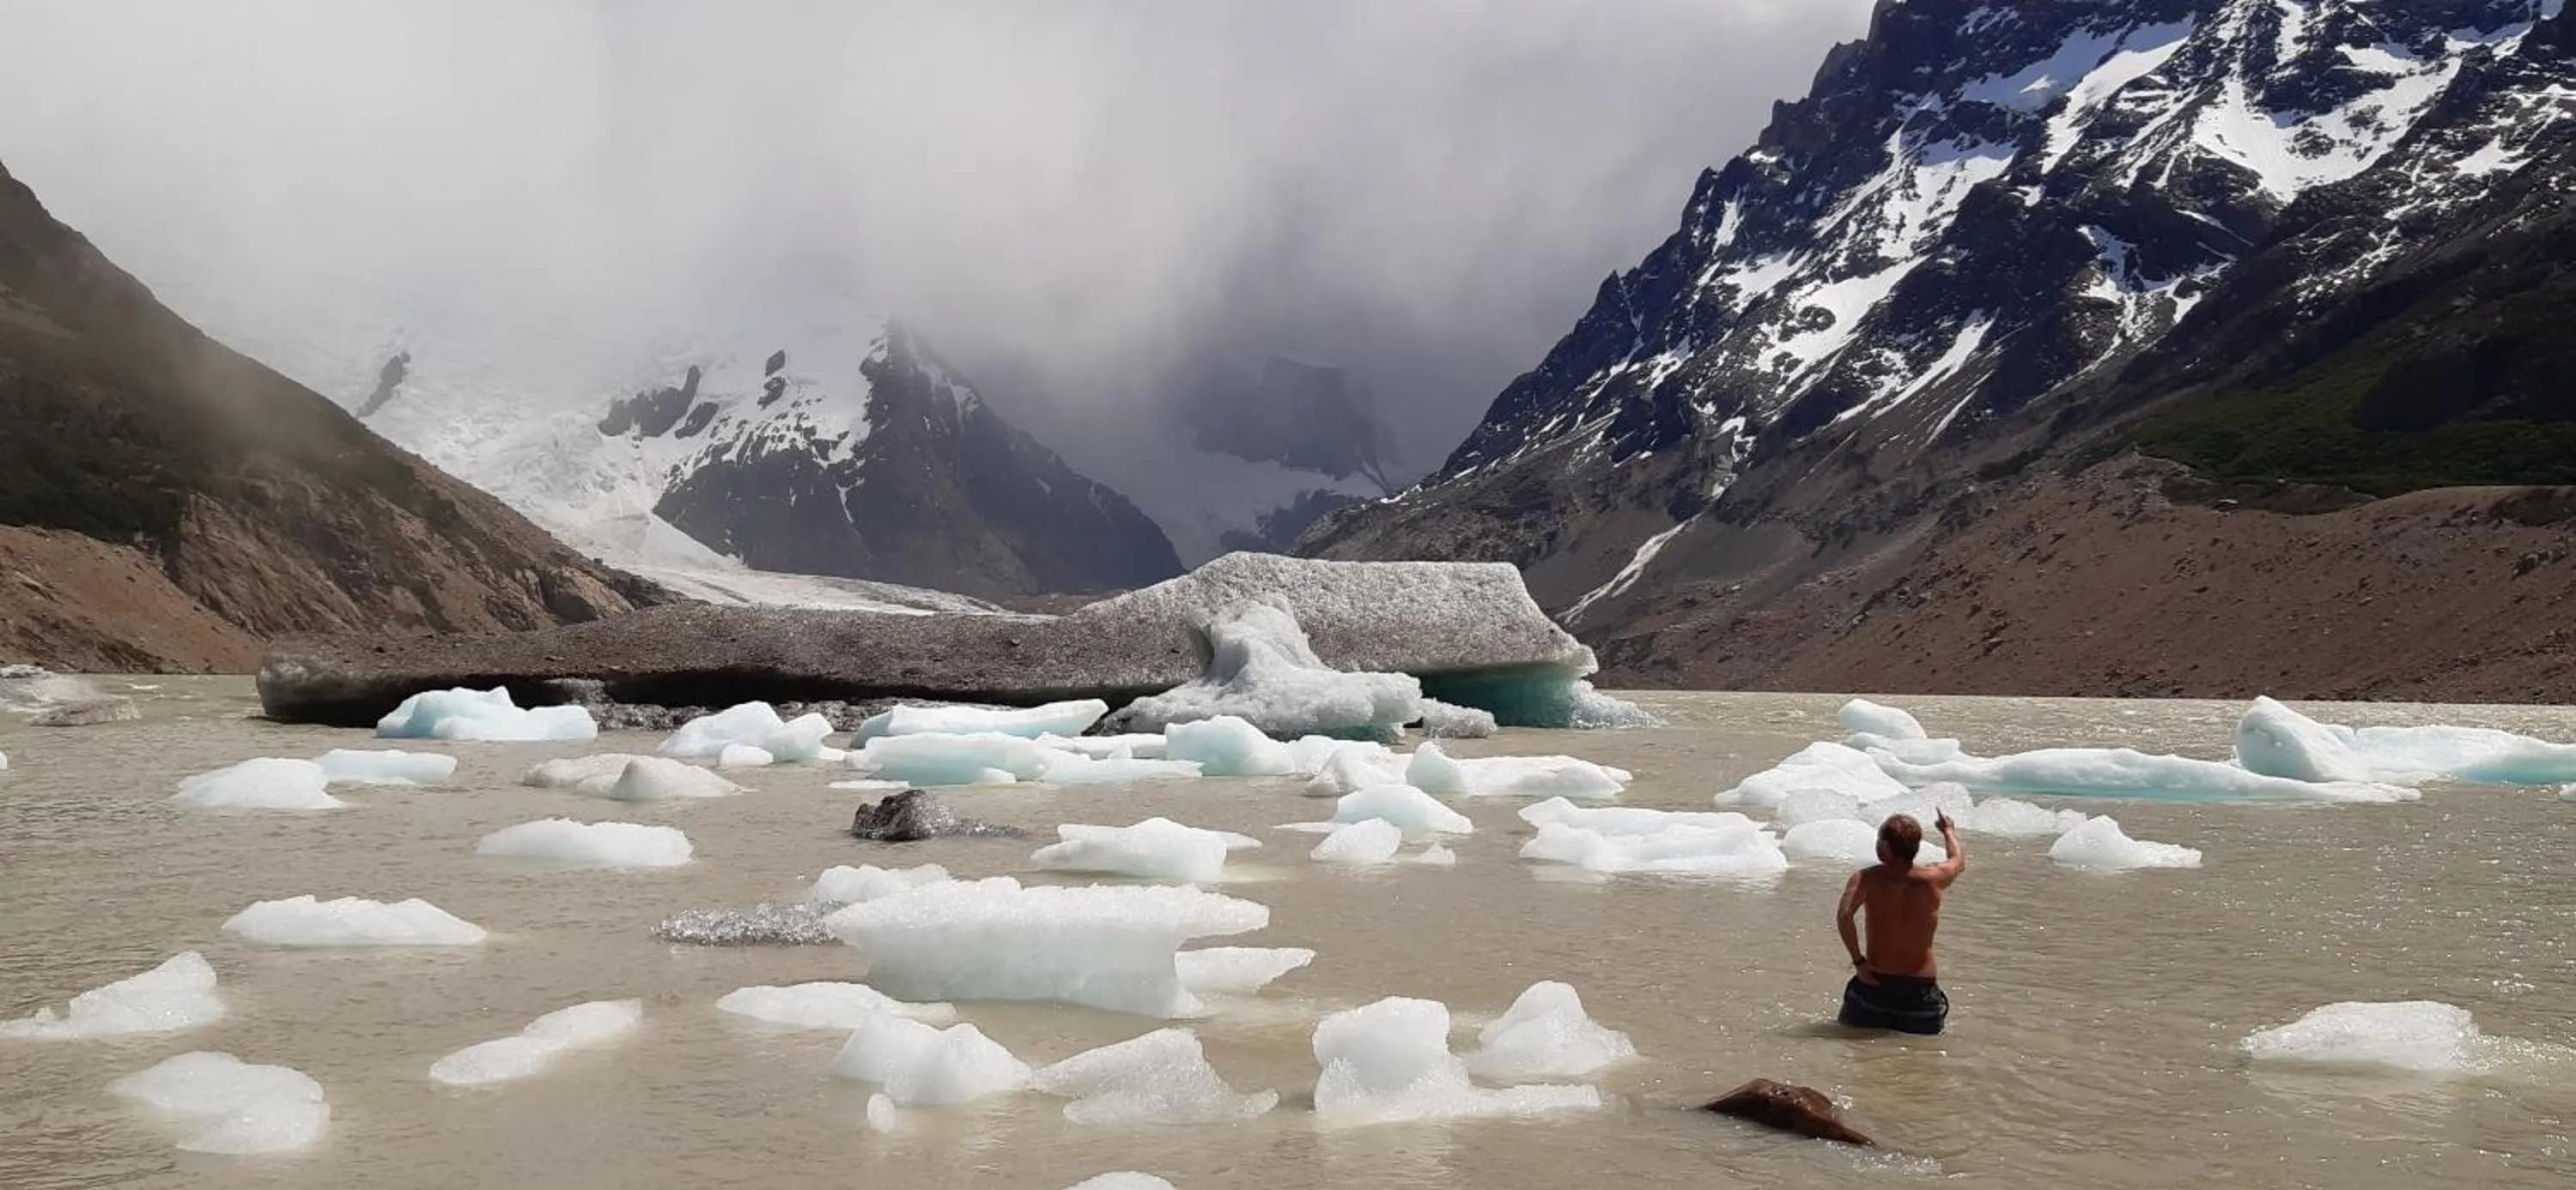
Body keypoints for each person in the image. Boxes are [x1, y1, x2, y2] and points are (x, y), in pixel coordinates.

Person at [1833, 811, 1964, 1035]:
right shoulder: (1935, 878)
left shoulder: (1866, 879)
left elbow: (1844, 916)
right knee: (1920, 1054)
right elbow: (1958, 861)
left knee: (1855, 1047)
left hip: (1875, 986)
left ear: (1884, 847)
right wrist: (1948, 832)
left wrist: (1858, 962)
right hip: (1921, 995)